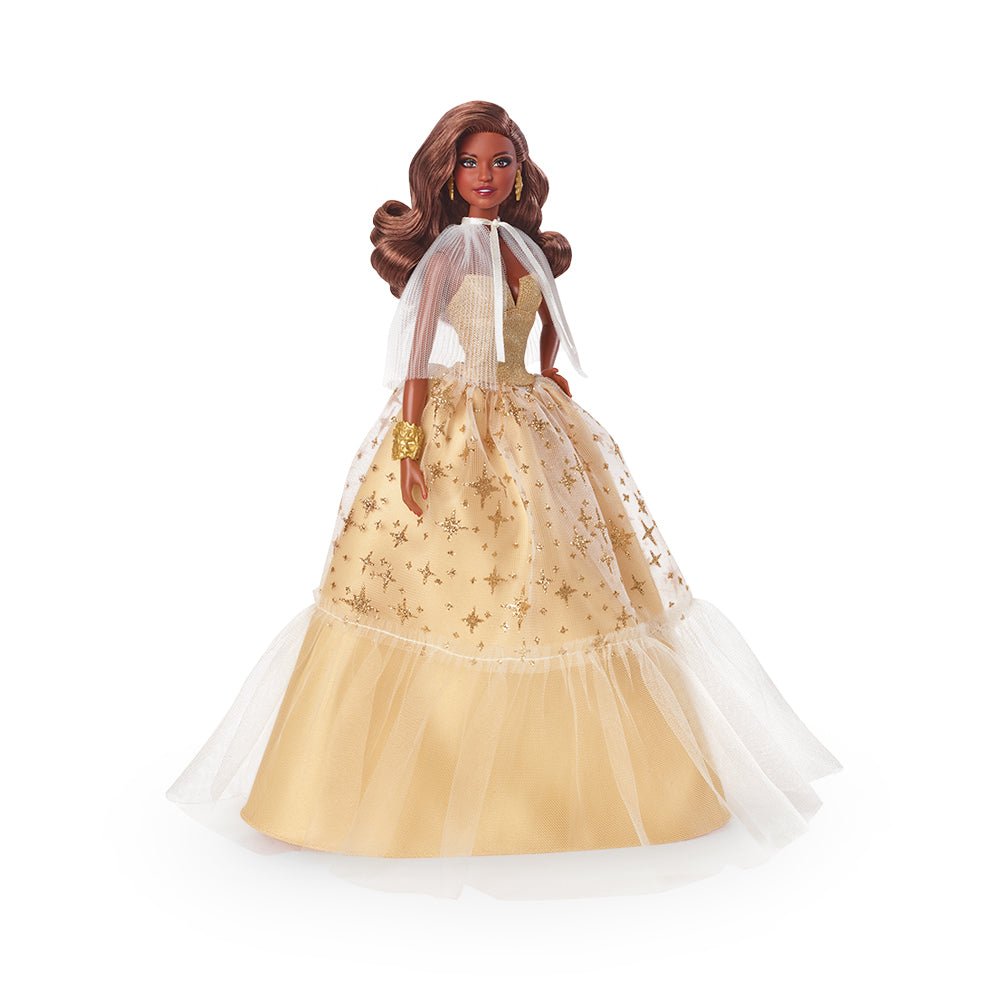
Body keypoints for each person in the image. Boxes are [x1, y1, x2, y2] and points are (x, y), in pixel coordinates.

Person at [166, 100, 842, 897]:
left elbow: (546, 325)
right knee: (438, 586)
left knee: (565, 582)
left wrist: (546, 371)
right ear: (447, 175)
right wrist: (410, 449)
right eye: (470, 163)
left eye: (500, 161)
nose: (485, 175)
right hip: (459, 426)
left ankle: (571, 790)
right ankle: (419, 782)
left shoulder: (527, 250)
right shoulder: (448, 256)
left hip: (532, 420)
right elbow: (415, 357)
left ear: (520, 171)